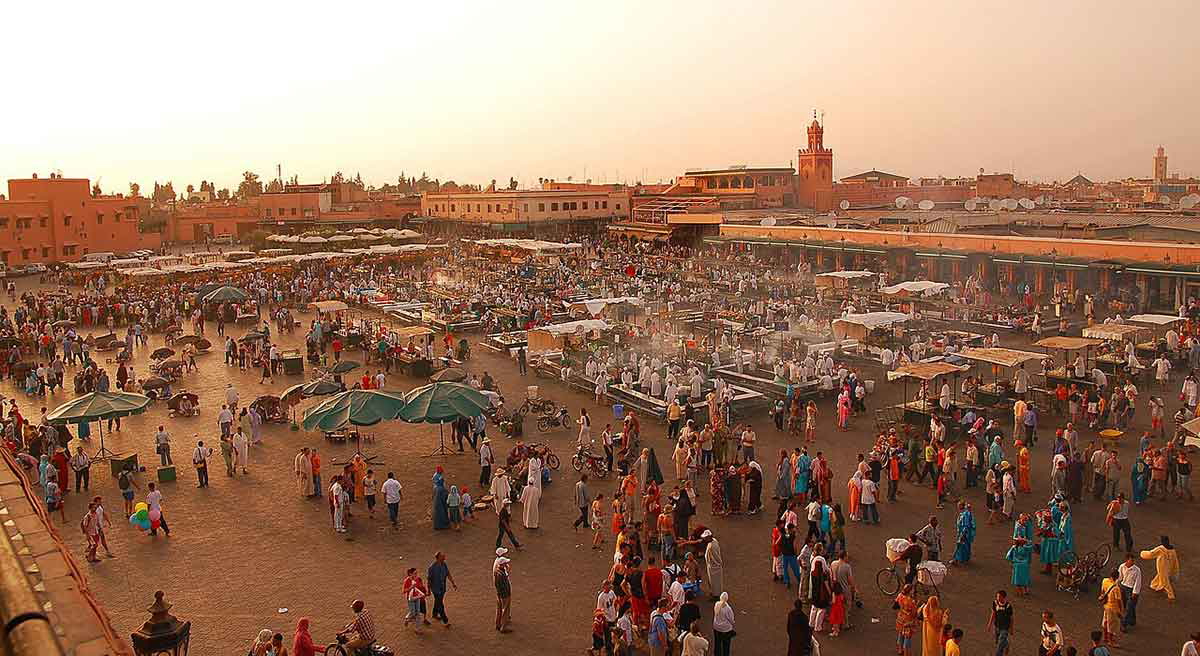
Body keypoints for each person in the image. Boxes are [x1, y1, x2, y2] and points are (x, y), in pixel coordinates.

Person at [1139, 535, 1180, 601]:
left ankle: (1171, 595)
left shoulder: (1160, 549)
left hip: (1162, 567)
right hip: (1169, 567)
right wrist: (1175, 568)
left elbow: (1150, 554)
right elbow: (1175, 560)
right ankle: (1154, 585)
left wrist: (1142, 553)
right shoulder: (1172, 549)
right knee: (1160, 576)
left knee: (1165, 581)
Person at [1117, 552, 1142, 632]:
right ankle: (1132, 620)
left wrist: (1135, 592)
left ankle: (1123, 624)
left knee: (1129, 607)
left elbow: (1138, 582)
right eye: (1131, 560)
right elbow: (1120, 578)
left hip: (1131, 590)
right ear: (1126, 560)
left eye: (1133, 560)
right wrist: (1116, 586)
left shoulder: (1137, 570)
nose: (1132, 562)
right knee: (1128, 606)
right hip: (1123, 588)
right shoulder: (1122, 567)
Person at [893, 583, 919, 656]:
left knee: (900, 634)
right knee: (907, 638)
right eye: (912, 590)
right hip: (908, 621)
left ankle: (900, 650)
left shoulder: (900, 596)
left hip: (900, 618)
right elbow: (914, 613)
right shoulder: (911, 601)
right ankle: (906, 653)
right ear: (910, 591)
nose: (913, 591)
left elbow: (895, 606)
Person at [986, 589, 1014, 656]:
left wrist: (1011, 628)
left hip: (1005, 627)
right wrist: (989, 624)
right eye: (997, 596)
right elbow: (993, 613)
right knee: (998, 641)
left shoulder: (1008, 606)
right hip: (997, 626)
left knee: (1000, 644)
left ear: (1004, 597)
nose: (997, 598)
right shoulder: (995, 603)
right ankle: (1006, 644)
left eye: (999, 597)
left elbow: (1011, 618)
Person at [493, 547, 513, 633]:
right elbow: (504, 584)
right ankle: (503, 627)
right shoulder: (500, 574)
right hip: (504, 594)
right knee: (505, 609)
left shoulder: (497, 567)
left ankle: (498, 624)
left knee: (500, 608)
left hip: (499, 593)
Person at [704, 530, 724, 600]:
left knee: (714, 582)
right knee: (715, 582)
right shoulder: (714, 541)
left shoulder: (712, 546)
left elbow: (715, 557)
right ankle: (715, 593)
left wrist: (712, 564)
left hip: (713, 566)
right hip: (713, 566)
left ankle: (715, 595)